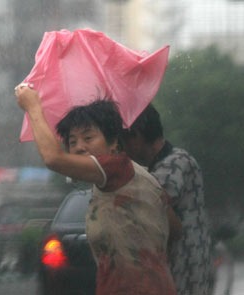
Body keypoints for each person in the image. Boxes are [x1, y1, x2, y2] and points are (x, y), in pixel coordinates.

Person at [15, 84, 182, 295]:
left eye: (88, 137)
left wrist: (33, 107)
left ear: (113, 143)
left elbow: (53, 158)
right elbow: (176, 229)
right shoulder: (141, 179)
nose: (79, 147)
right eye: (72, 141)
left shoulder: (115, 168)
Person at [121, 104, 212, 295]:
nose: (124, 148)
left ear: (136, 135)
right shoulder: (162, 165)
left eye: (124, 140)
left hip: (185, 269)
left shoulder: (175, 163)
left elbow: (148, 204)